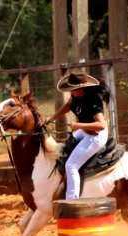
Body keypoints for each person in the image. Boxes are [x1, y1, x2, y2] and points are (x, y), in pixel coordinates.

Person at [46, 71, 110, 200]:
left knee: (71, 165)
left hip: (96, 136)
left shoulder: (93, 99)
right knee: (65, 147)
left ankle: (72, 200)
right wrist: (52, 118)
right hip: (85, 131)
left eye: (73, 89)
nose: (71, 91)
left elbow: (101, 125)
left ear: (82, 88)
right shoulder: (75, 96)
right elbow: (68, 105)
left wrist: (79, 125)